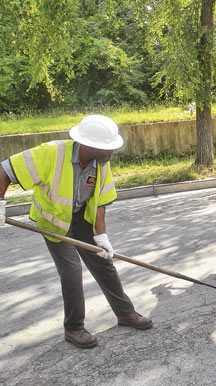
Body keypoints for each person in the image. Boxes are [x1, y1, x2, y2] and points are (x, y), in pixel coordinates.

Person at [0, 115, 152, 349]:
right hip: (53, 222)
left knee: (104, 263)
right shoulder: (51, 153)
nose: (112, 154)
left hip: (82, 218)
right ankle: (74, 328)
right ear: (89, 145)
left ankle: (125, 313)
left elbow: (100, 203)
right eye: (108, 149)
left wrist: (102, 237)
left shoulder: (101, 163)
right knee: (72, 271)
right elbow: (5, 171)